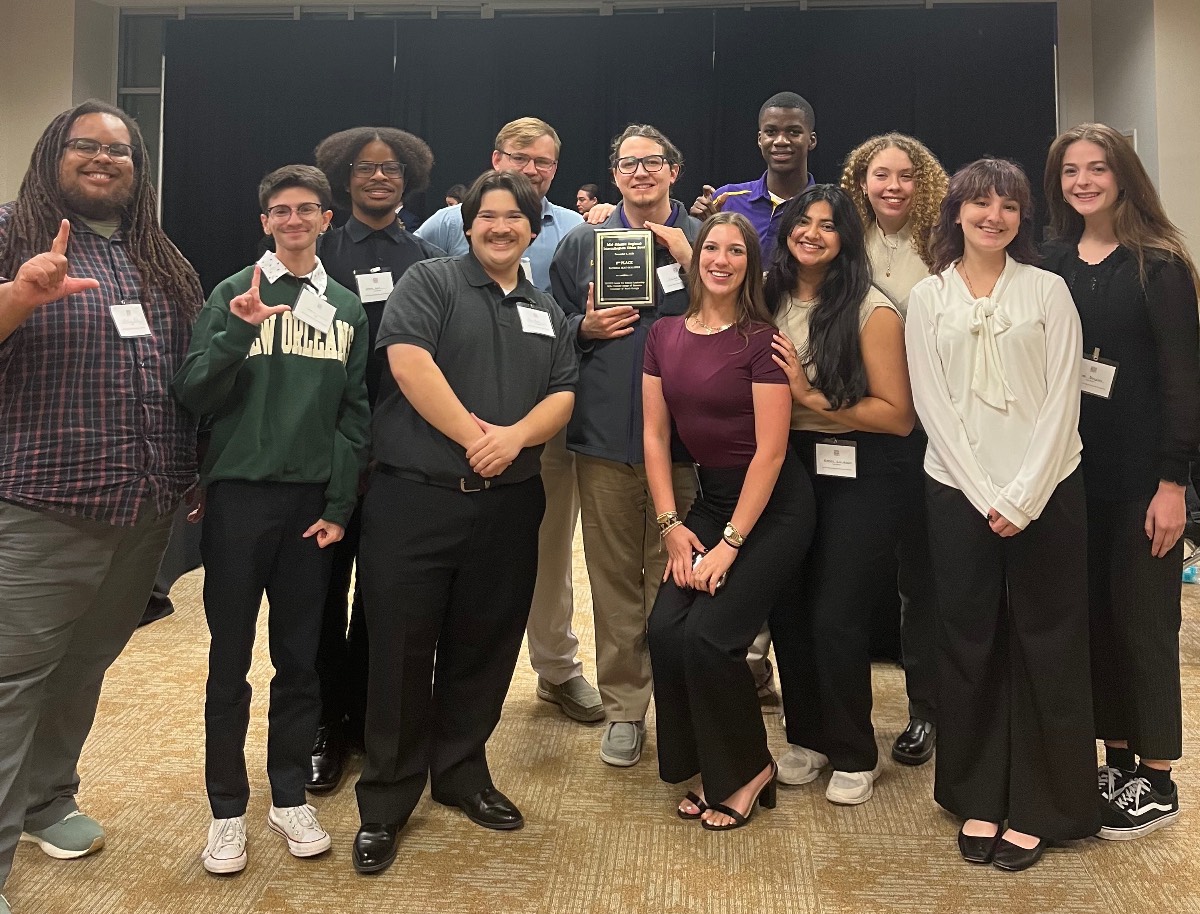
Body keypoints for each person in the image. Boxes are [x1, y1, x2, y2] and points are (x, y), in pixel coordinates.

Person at [0, 100, 203, 914]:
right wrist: (18, 295)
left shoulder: (160, 259)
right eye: (84, 145)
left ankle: (48, 801)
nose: (101, 158)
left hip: (142, 508)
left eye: (118, 149)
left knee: (84, 668)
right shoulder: (13, 233)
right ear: (54, 153)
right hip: (42, 505)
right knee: (12, 681)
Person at [352, 171, 576, 875]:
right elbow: (407, 362)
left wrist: (511, 442)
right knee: (399, 651)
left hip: (508, 505)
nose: (502, 226)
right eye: (489, 216)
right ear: (467, 222)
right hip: (415, 499)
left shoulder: (548, 310)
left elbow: (564, 393)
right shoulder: (431, 282)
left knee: (485, 646)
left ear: (533, 231)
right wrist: (477, 434)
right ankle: (386, 800)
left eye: (516, 217)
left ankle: (461, 773)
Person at [173, 164, 370, 875]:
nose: (293, 220)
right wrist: (235, 334)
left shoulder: (346, 307)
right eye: (279, 211)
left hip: (311, 510)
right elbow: (192, 391)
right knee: (228, 663)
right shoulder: (233, 292)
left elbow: (355, 416)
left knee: (300, 661)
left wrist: (341, 506)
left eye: (306, 209)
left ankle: (289, 794)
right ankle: (227, 808)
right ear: (264, 222)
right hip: (238, 504)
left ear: (324, 218)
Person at [906, 158, 1098, 871]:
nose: (994, 215)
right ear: (956, 212)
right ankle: (978, 793)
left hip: (1050, 489)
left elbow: (1062, 403)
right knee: (969, 640)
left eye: (1008, 205)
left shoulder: (1048, 290)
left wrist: (1022, 494)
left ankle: (1046, 803)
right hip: (957, 491)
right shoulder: (929, 298)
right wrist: (985, 491)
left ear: (1023, 218)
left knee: (1047, 641)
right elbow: (932, 404)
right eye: (980, 203)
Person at [1042, 124, 1200, 840]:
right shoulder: (1052, 263)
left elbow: (1183, 383)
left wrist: (1175, 484)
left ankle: (1159, 777)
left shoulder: (1160, 266)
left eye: (1097, 168)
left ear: (1123, 175)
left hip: (1144, 481)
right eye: (1070, 169)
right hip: (1075, 479)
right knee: (1095, 623)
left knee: (1143, 624)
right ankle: (1118, 759)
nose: (1083, 181)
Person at [417, 118, 599, 724]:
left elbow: (577, 315)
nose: (534, 168)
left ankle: (558, 668)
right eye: (522, 157)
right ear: (496, 157)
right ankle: (441, 677)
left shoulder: (574, 230)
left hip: (543, 417)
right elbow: (415, 306)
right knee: (453, 557)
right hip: (453, 424)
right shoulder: (446, 225)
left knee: (546, 551)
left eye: (545, 161)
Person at [645, 213, 813, 830]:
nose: (720, 259)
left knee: (710, 638)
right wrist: (671, 525)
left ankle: (748, 770)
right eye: (710, 247)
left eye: (734, 250)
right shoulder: (663, 333)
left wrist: (728, 548)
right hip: (710, 500)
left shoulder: (760, 341)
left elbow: (771, 453)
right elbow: (654, 434)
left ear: (751, 263)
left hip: (772, 506)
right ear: (695, 258)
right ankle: (702, 764)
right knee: (666, 629)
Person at [550, 124, 702, 767]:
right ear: (614, 176)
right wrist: (581, 326)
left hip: (691, 443)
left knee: (680, 578)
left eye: (654, 161)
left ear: (674, 169)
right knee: (614, 581)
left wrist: (686, 256)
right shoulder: (581, 244)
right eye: (629, 163)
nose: (641, 172)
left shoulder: (709, 239)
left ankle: (682, 698)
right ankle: (625, 708)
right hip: (607, 438)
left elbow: (749, 316)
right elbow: (550, 330)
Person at [766, 186, 915, 806]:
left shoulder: (871, 310)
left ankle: (854, 750)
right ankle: (806, 737)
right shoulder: (766, 297)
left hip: (858, 466)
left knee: (836, 613)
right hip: (784, 466)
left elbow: (898, 416)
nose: (813, 233)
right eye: (803, 222)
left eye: (828, 226)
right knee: (790, 607)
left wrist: (809, 397)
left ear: (846, 238)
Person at [309, 126, 446, 792]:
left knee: (384, 601)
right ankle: (322, 726)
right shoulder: (321, 249)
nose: (380, 177)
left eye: (392, 167)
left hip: (398, 454)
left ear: (408, 175)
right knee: (320, 597)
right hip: (327, 451)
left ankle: (368, 721)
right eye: (365, 168)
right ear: (344, 176)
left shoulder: (426, 257)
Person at [840, 133, 949, 766]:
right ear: (861, 181)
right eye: (880, 175)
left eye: (906, 175)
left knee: (921, 580)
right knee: (850, 575)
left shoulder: (943, 246)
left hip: (927, 432)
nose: (893, 186)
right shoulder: (845, 243)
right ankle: (842, 713)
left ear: (923, 182)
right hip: (858, 427)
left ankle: (926, 710)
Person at [691, 92, 818, 252]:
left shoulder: (826, 207)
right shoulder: (727, 200)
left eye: (793, 132)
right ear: (760, 139)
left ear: (811, 140)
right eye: (771, 132)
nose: (780, 141)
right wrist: (698, 227)